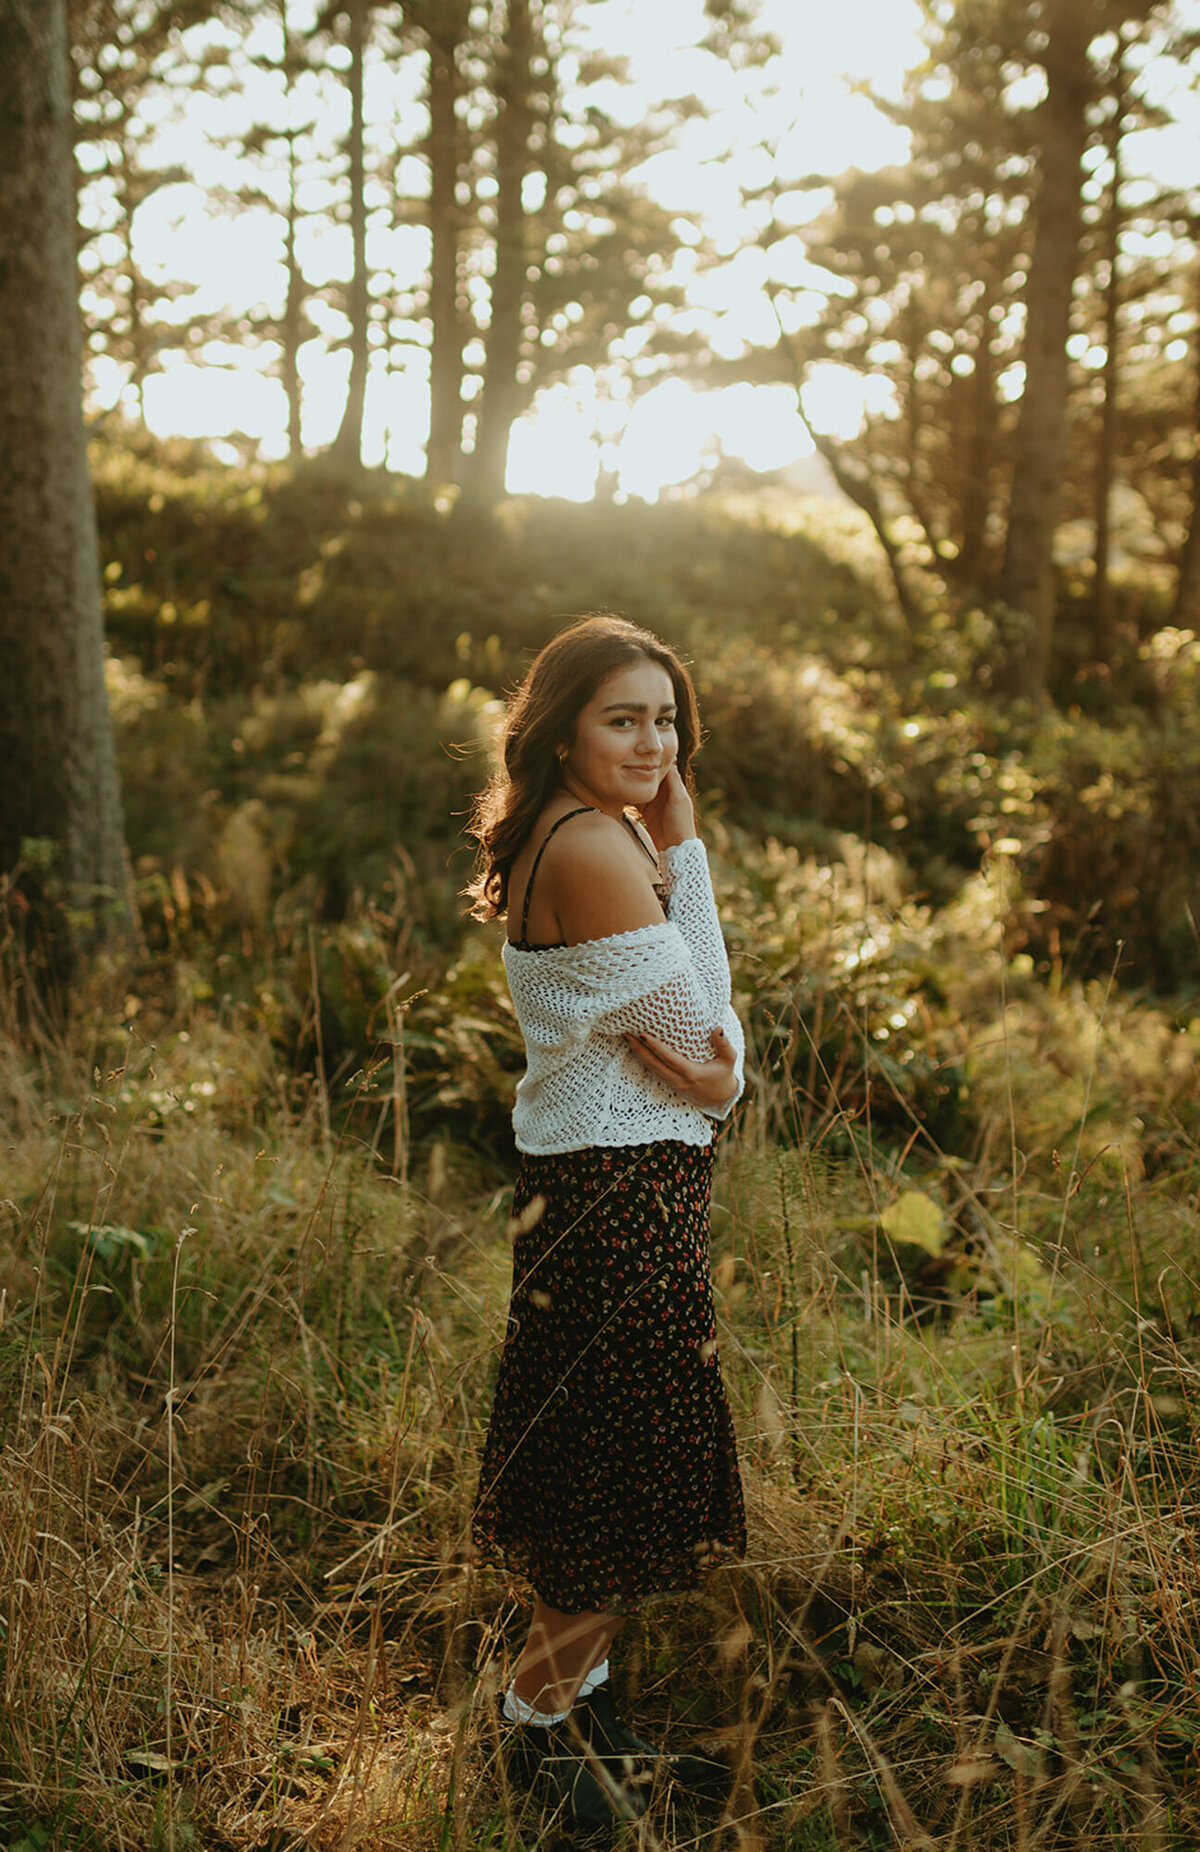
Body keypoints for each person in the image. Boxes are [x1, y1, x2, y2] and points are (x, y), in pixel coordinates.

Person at [466, 613, 747, 1825]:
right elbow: (711, 1044)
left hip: (607, 1190)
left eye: (666, 718)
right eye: (622, 718)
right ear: (562, 730)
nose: (652, 741)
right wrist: (686, 860)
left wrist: (668, 852)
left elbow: (689, 1044)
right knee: (617, 1478)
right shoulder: (595, 849)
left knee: (604, 1472)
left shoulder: (578, 830)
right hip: (619, 1196)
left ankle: (587, 1716)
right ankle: (535, 1741)